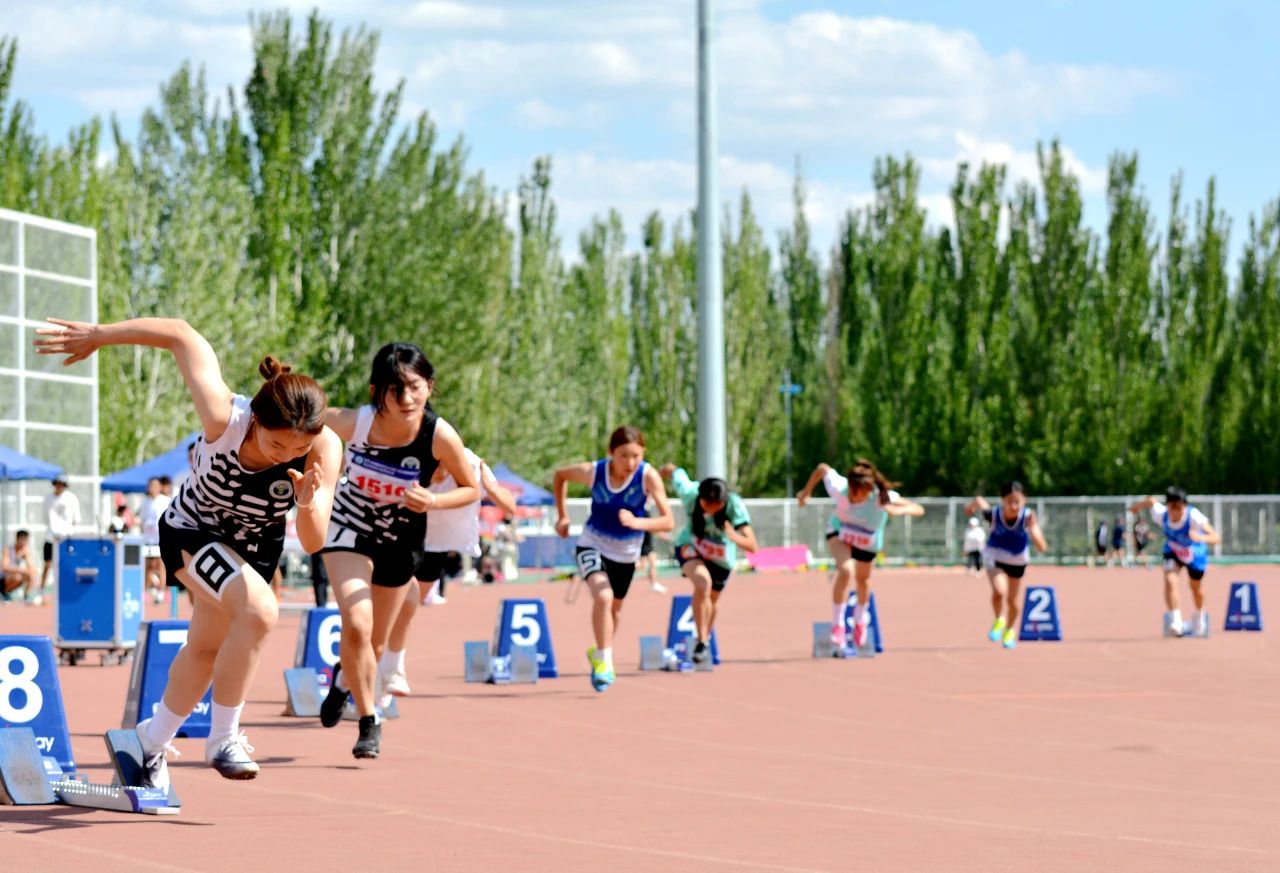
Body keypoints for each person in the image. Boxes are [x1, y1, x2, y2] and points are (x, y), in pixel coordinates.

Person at [35, 315, 341, 789]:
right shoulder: (224, 417)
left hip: (254, 551)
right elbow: (181, 334)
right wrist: (99, 335)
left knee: (204, 650)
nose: (284, 456)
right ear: (255, 420)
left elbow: (316, 540)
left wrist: (305, 502)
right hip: (193, 533)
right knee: (261, 611)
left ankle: (150, 742)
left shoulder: (324, 448)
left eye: (296, 448)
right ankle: (224, 737)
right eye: (276, 443)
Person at [318, 342, 479, 759]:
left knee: (373, 644)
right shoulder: (354, 422)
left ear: (429, 386)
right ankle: (369, 720)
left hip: (400, 541)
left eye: (414, 387)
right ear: (377, 391)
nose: (406, 398)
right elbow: (299, 418)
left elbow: (470, 488)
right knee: (357, 623)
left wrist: (433, 500)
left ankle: (343, 680)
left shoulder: (438, 435)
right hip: (348, 528)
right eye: (394, 389)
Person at [379, 451, 517, 702]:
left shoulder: (471, 465)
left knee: (406, 609)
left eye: (445, 466)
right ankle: (389, 670)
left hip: (437, 547)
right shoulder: (411, 457)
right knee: (398, 603)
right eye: (436, 465)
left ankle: (383, 669)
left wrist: (492, 489)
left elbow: (510, 506)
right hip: (404, 537)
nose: (441, 472)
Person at [554, 425, 675, 692]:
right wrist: (562, 516)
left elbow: (668, 521)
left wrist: (638, 523)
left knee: (615, 609)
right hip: (592, 544)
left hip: (627, 553)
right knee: (604, 597)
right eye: (624, 456)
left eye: (636, 456)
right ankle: (606, 661)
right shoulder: (594, 472)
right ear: (611, 453)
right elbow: (560, 475)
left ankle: (599, 653)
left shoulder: (648, 476)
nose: (630, 463)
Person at [797, 459, 924, 650]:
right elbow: (822, 468)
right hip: (840, 532)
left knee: (862, 580)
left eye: (859, 496)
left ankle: (860, 620)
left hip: (866, 540)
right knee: (846, 571)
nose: (854, 499)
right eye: (852, 493)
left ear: (868, 490)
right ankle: (838, 625)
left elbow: (919, 509)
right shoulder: (839, 487)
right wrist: (806, 492)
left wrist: (899, 510)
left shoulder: (881, 497)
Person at [661, 465, 758, 662]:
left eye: (717, 506)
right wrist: (656, 476)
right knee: (702, 583)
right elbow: (674, 470)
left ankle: (704, 639)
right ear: (700, 498)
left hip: (720, 557)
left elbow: (752, 546)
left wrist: (733, 536)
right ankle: (702, 641)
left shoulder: (734, 506)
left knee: (712, 600)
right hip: (690, 546)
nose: (711, 509)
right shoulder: (690, 493)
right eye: (707, 505)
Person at [965, 482, 1049, 648]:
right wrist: (970, 507)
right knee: (999, 591)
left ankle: (1009, 630)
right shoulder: (994, 514)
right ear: (1003, 500)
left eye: (1017, 501)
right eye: (1009, 501)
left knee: (1012, 601)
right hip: (995, 556)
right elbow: (980, 500)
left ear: (1024, 500)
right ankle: (999, 620)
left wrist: (1033, 528)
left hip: (1017, 559)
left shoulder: (1027, 517)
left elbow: (1042, 547)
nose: (1013, 506)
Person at [1129, 488, 1222, 637]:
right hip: (1173, 551)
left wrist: (1200, 538)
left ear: (1184, 506)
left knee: (1196, 589)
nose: (1175, 512)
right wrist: (1137, 507)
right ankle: (1176, 621)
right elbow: (1151, 500)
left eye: (1179, 507)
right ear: (1168, 506)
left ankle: (1199, 615)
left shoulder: (1194, 517)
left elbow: (1216, 538)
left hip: (1194, 554)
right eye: (1172, 507)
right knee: (1170, 580)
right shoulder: (1162, 514)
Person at [37, 475, 81, 606]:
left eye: (62, 484)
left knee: (67, 564)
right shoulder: (48, 499)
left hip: (67, 537)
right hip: (51, 536)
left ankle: (68, 591)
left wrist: (70, 532)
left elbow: (76, 519)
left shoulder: (71, 498)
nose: (59, 486)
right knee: (47, 564)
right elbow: (45, 517)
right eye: (57, 484)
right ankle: (41, 593)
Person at [139, 476, 172, 604]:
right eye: (151, 486)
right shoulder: (146, 502)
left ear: (160, 487)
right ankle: (144, 591)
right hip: (148, 539)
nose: (153, 488)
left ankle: (161, 592)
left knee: (161, 565)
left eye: (155, 486)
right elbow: (142, 519)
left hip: (161, 539)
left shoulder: (166, 501)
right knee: (148, 566)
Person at [2, 529, 38, 602]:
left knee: (31, 575)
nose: (25, 542)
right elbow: (4, 567)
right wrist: (23, 570)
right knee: (18, 577)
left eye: (26, 540)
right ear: (17, 539)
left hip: (12, 577)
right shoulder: (8, 550)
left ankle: (27, 596)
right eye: (23, 540)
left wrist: (26, 555)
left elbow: (32, 568)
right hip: (3, 579)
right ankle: (4, 592)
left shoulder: (25, 551)